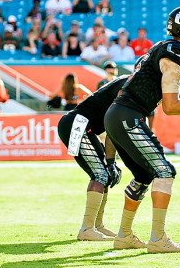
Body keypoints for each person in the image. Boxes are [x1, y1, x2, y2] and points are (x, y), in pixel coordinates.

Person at [104, 6, 180, 252]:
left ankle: (124, 235)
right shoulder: (177, 50)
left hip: (118, 115)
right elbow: (170, 106)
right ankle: (158, 239)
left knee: (144, 175)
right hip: (128, 115)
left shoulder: (162, 47)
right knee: (165, 171)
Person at [57, 75, 129, 241]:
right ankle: (87, 229)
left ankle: (97, 225)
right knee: (101, 174)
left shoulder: (128, 81)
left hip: (83, 125)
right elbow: (113, 126)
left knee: (104, 173)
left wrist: (111, 163)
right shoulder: (129, 85)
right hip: (77, 124)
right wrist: (111, 162)